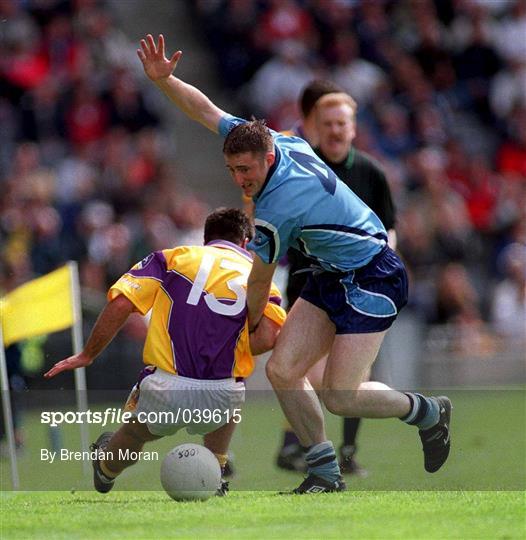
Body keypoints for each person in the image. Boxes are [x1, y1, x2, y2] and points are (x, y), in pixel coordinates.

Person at [136, 34, 452, 494]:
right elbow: (206, 111)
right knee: (284, 371)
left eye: (247, 172)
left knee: (341, 396)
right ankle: (324, 472)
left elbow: (260, 281)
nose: (241, 182)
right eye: (233, 172)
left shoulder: (277, 206)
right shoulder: (275, 140)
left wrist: (239, 327)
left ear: (266, 160)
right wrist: (165, 81)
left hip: (374, 277)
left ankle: (429, 411)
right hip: (332, 273)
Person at [44, 207, 286, 494]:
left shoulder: (173, 258)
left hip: (166, 388)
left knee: (133, 436)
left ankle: (106, 468)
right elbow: (269, 337)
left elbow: (122, 303)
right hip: (223, 395)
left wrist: (88, 354)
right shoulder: (259, 278)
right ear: (245, 242)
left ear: (206, 239)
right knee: (233, 385)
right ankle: (217, 470)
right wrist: (228, 343)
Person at [277, 88, 398, 476]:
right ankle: (306, 447)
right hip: (308, 284)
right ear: (314, 125)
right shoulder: (304, 167)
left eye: (341, 123)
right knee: (301, 369)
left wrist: (379, 269)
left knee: (351, 378)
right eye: (326, 124)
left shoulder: (370, 172)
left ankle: (343, 451)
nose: (334, 130)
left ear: (353, 127)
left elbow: (387, 230)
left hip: (362, 287)